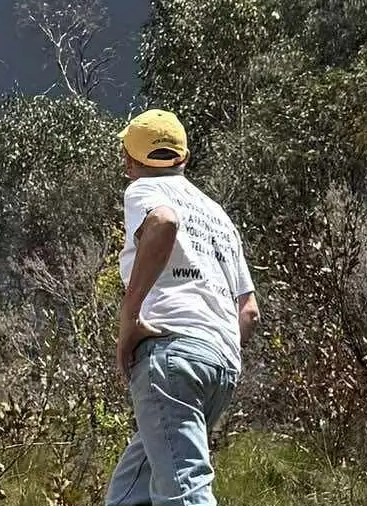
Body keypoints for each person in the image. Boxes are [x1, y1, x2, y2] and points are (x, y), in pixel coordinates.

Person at [108, 110, 257, 506]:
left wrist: (130, 317)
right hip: (219, 363)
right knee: (128, 495)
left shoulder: (143, 191)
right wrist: (214, 347)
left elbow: (164, 222)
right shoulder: (219, 217)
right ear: (184, 158)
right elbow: (249, 311)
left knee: (184, 494)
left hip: (169, 355)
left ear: (129, 161)